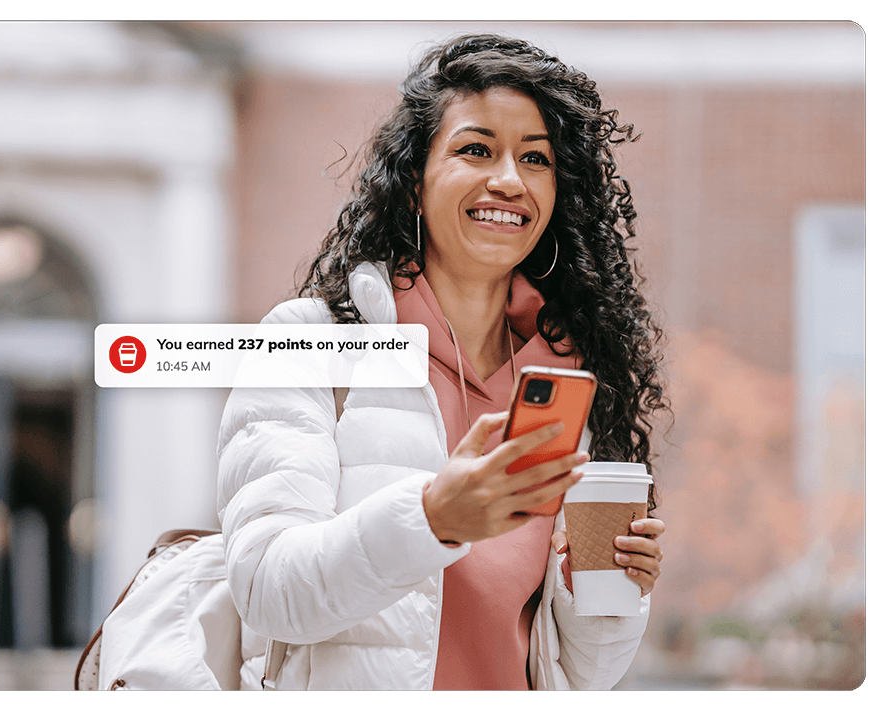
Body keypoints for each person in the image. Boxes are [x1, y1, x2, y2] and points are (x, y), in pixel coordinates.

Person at [217, 33, 670, 690]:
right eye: (476, 149)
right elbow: (268, 589)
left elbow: (582, 671)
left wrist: (601, 588)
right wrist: (432, 517)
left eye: (536, 159)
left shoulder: (568, 373)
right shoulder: (309, 342)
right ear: (411, 185)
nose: (509, 179)